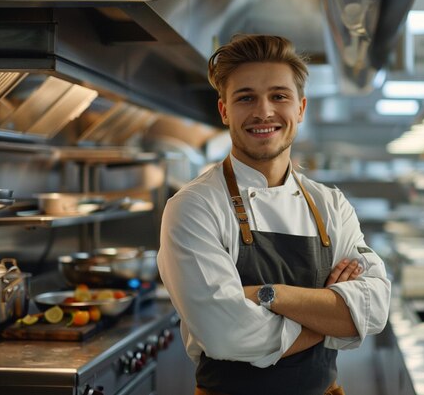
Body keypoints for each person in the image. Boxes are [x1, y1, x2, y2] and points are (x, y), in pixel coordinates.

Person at [157, 34, 391, 395]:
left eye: (279, 96)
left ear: (300, 108)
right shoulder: (194, 207)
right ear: (224, 111)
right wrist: (334, 316)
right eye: (245, 97)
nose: (264, 111)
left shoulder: (331, 204)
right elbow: (228, 335)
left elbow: (374, 307)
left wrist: (268, 295)